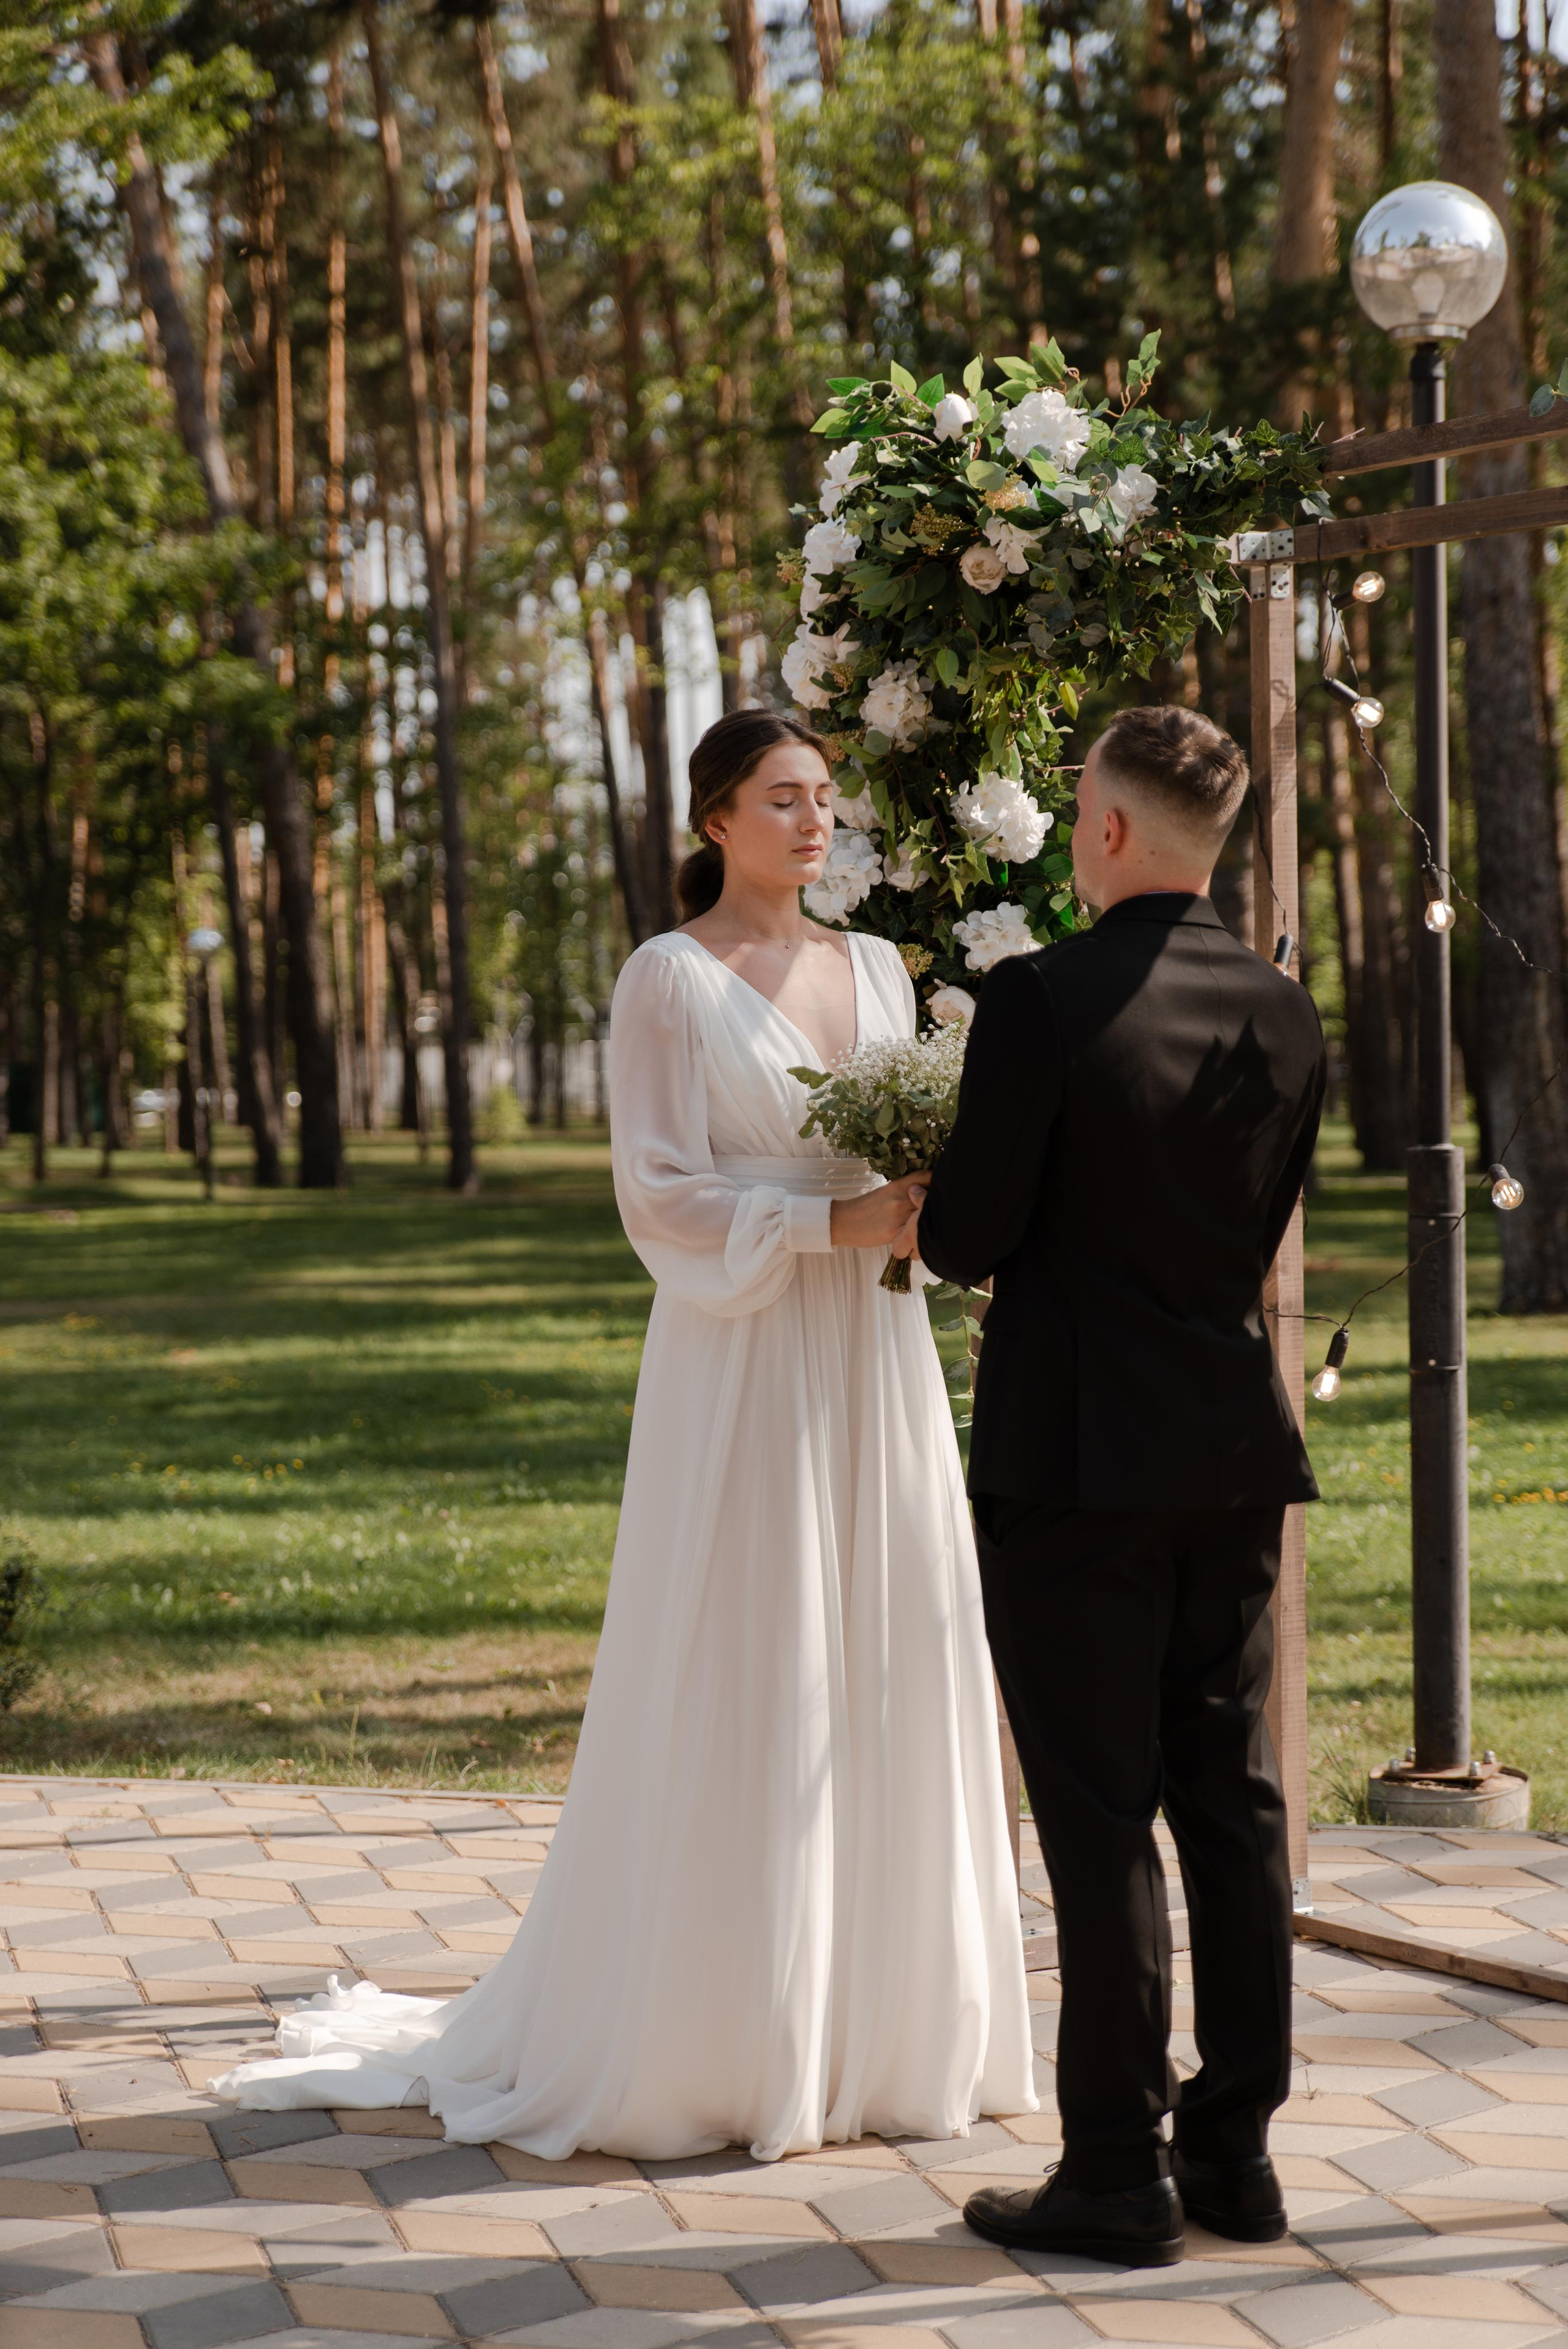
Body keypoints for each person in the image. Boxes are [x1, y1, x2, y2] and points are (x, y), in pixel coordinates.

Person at [211, 707, 1035, 2160]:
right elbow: (655, 1198)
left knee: (890, 1644)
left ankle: (883, 2032)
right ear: (714, 818)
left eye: (823, 798)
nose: (812, 821)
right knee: (750, 1646)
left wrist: (915, 1210)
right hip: (742, 1351)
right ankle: (717, 2033)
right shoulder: (668, 980)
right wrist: (818, 1221)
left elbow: (917, 1159)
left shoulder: (885, 973)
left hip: (873, 1354)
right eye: (783, 798)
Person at [913, 705, 1326, 2267]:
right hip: (1228, 1453)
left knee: (1098, 1821)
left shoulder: (1038, 998)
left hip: (1075, 1462)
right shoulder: (1283, 1016)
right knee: (1231, 1805)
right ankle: (1234, 2158)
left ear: (1100, 828)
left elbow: (966, 1239)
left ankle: (1110, 2174)